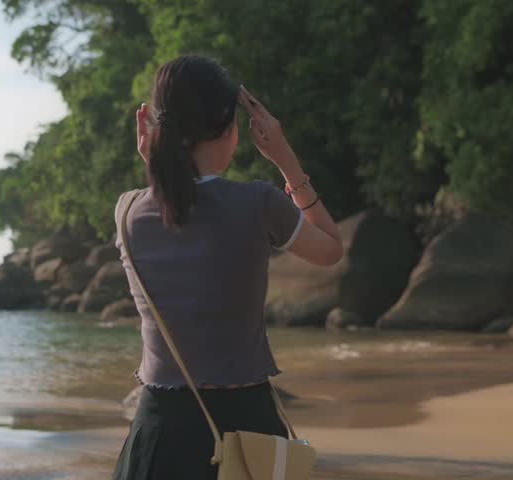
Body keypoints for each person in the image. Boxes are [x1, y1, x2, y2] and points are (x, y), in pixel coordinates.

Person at [112, 54, 343, 480]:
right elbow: (331, 248)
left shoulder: (127, 211)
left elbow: (175, 204)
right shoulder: (259, 204)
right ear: (230, 129)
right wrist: (286, 159)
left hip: (158, 432)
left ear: (155, 128)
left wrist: (154, 160)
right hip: (246, 432)